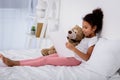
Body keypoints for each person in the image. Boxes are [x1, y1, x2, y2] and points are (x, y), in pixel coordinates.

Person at [0, 8, 104, 67]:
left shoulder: (93, 40)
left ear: (94, 28)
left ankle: (15, 64)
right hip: (69, 54)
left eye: (86, 27)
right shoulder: (86, 36)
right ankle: (16, 62)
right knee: (43, 57)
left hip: (75, 60)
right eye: (83, 26)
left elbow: (87, 57)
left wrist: (73, 49)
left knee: (46, 61)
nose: (83, 29)